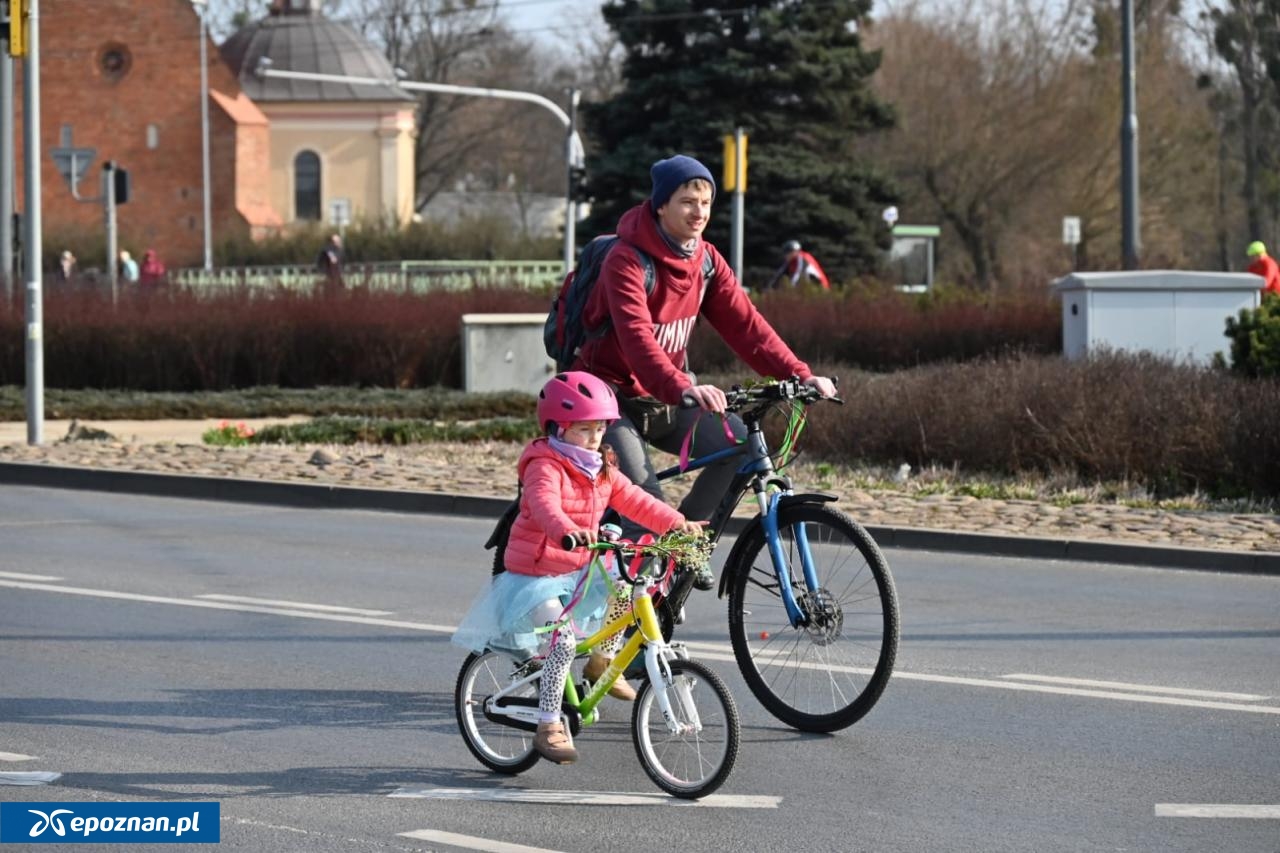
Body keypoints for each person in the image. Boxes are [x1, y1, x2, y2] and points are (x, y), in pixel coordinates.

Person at [573, 154, 838, 546]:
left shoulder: (707, 261)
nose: (699, 212)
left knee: (740, 449)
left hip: (666, 397)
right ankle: (645, 562)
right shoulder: (627, 260)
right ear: (660, 205)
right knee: (646, 512)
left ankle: (683, 550)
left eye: (705, 202)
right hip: (610, 400)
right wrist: (682, 386)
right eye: (686, 202)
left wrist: (799, 375)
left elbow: (747, 327)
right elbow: (638, 340)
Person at [452, 371, 703, 765]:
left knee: (626, 589)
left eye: (600, 429)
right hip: (535, 577)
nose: (595, 438)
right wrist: (566, 530)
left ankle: (603, 662)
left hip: (577, 569)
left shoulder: (600, 467)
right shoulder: (544, 465)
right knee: (564, 642)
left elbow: (635, 500)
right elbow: (544, 505)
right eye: (584, 429)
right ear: (558, 428)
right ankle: (549, 725)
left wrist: (676, 523)